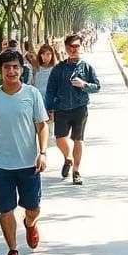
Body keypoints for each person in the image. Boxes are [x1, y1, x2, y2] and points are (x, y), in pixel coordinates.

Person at [0, 50, 48, 255]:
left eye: (15, 67)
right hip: (2, 164)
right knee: (5, 209)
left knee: (33, 208)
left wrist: (42, 152)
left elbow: (42, 125)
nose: (11, 71)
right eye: (7, 67)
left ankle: (30, 222)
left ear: (21, 69)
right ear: (0, 70)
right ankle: (12, 251)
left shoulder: (32, 94)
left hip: (29, 163)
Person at [45, 33, 101, 186]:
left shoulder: (87, 67)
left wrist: (84, 85)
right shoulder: (58, 69)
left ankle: (76, 171)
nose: (73, 49)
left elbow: (97, 87)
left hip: (80, 108)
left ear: (81, 47)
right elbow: (50, 90)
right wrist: (49, 108)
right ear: (66, 47)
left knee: (78, 139)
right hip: (61, 108)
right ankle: (68, 157)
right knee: (60, 139)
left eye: (76, 46)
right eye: (70, 46)